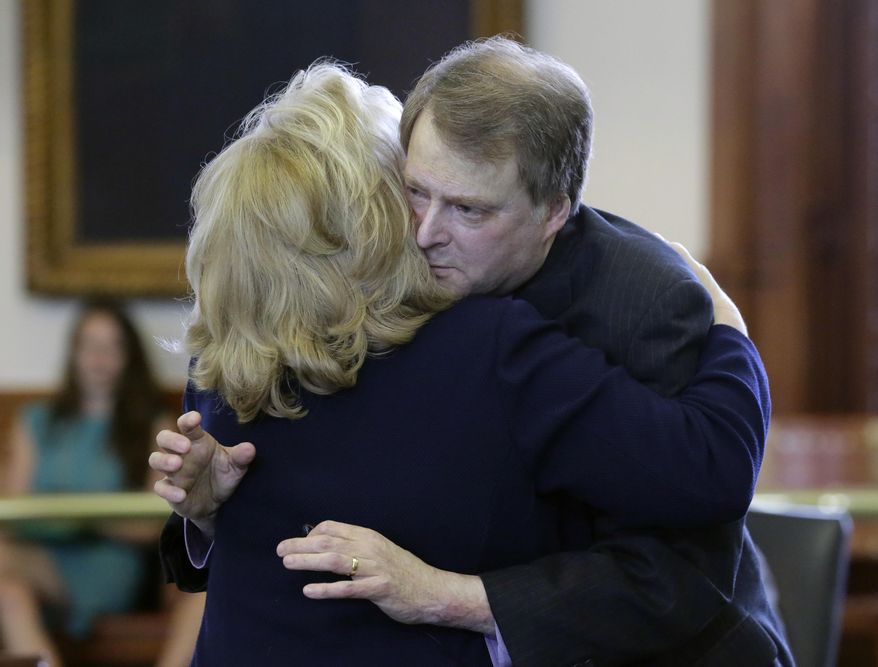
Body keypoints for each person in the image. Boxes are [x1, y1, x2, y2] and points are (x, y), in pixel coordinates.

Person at [149, 61, 776, 665]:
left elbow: (683, 550)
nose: (424, 231)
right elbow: (710, 469)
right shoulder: (482, 344)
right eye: (413, 193)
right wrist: (733, 329)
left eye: (467, 208)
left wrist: (205, 516)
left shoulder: (223, 352)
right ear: (369, 212)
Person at [0, 300, 171, 665]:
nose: (99, 359)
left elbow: (155, 521)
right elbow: (13, 510)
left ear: (129, 357)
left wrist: (71, 515)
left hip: (109, 563)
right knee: (8, 591)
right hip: (36, 558)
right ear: (74, 353)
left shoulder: (154, 424)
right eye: (90, 346)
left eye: (112, 348)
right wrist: (89, 513)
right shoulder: (36, 422)